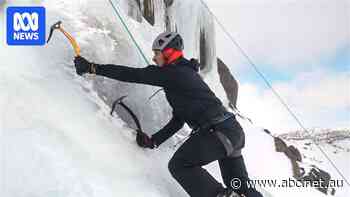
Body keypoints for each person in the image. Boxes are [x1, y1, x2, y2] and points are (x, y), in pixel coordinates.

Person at [73, 31, 263, 197]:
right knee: (240, 186)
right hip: (231, 132)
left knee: (180, 165)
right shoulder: (183, 76)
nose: (154, 58)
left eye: (157, 53)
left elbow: (134, 75)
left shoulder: (175, 73)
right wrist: (154, 141)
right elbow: (178, 121)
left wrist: (92, 68)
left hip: (217, 132)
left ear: (169, 52)